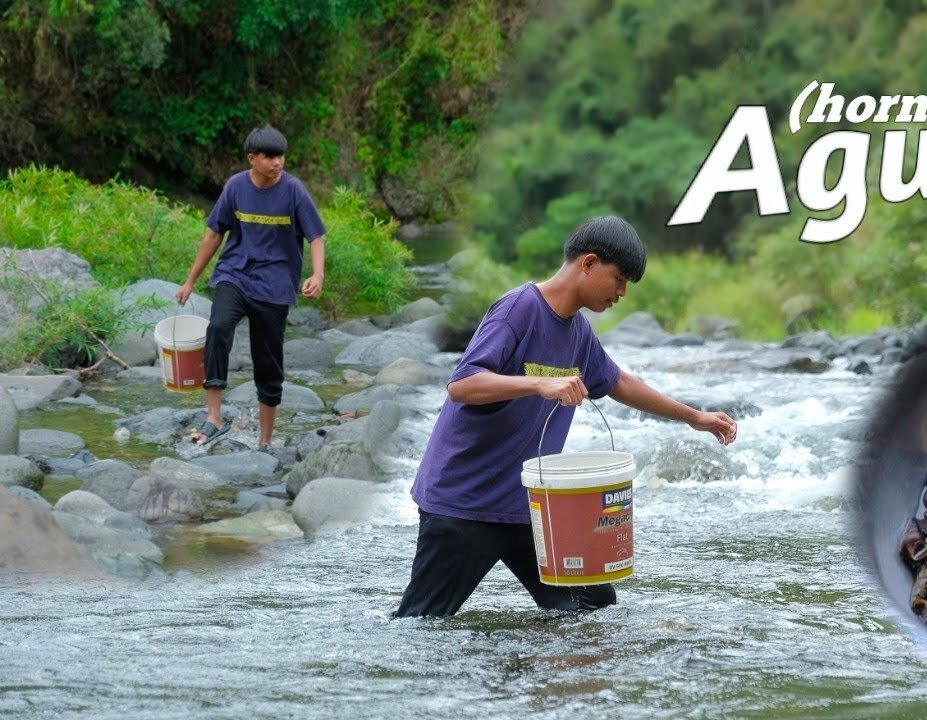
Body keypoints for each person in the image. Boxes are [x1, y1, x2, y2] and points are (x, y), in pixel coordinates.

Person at [394, 215, 738, 617]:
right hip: (462, 504)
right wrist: (538, 384)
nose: (622, 293)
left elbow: (619, 383)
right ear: (588, 263)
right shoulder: (518, 309)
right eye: (620, 279)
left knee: (593, 606)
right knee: (421, 624)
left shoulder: (578, 332)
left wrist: (693, 417)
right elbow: (463, 384)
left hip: (529, 509)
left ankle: (535, 671)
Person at [174, 124, 326, 450]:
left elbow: (315, 236)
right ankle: (214, 416)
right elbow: (213, 234)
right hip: (235, 275)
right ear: (252, 158)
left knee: (267, 362)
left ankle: (264, 440)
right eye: (270, 156)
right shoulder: (235, 187)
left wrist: (317, 275)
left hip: (275, 285)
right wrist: (190, 281)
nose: (278, 162)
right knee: (217, 328)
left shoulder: (294, 190)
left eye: (281, 155)